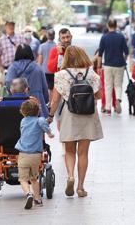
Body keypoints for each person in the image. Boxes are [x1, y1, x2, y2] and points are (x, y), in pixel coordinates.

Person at [48, 46, 103, 198]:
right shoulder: (91, 74)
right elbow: (99, 95)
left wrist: (51, 115)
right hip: (88, 115)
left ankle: (71, 176)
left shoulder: (60, 75)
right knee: (83, 153)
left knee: (70, 151)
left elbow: (55, 100)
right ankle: (80, 187)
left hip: (69, 114)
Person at [15, 99, 54, 209]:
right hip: (36, 155)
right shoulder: (39, 120)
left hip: (23, 154)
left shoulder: (23, 121)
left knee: (23, 179)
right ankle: (38, 199)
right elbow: (43, 123)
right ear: (38, 111)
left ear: (23, 112)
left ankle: (29, 194)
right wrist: (49, 133)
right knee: (34, 178)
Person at [6, 44, 49, 118]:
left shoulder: (13, 68)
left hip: (18, 106)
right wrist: (44, 101)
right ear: (30, 53)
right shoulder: (38, 68)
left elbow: (8, 84)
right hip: (36, 106)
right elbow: (45, 88)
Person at [97, 19, 129, 115]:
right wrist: (124, 60)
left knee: (108, 86)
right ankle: (118, 99)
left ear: (108, 25)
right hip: (119, 64)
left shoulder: (104, 37)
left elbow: (100, 53)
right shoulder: (121, 37)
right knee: (118, 85)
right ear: (116, 26)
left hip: (107, 65)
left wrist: (99, 66)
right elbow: (126, 52)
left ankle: (108, 108)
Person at [37, 29, 56, 103]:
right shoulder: (57, 46)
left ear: (47, 36)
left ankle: (44, 102)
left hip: (44, 70)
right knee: (51, 88)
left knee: (43, 87)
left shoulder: (42, 46)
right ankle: (50, 103)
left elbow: (40, 61)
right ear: (54, 36)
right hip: (53, 71)